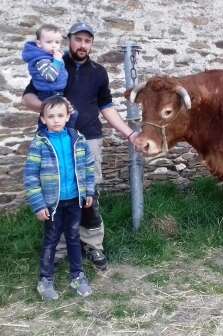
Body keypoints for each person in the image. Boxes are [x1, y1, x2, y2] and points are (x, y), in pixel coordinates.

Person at [22, 22, 139, 271]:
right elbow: (27, 97)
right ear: (70, 40)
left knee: (89, 195)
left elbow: (106, 107)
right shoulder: (53, 65)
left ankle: (94, 245)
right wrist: (49, 108)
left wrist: (129, 133)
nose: (82, 45)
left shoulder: (98, 72)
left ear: (91, 44)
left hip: (89, 141)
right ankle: (60, 248)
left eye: (88, 41)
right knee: (57, 194)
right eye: (78, 40)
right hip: (55, 142)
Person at [24, 96, 95, 300]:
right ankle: (45, 280)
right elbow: (30, 176)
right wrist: (38, 204)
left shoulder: (78, 139)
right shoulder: (40, 144)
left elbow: (88, 167)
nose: (56, 120)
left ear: (67, 117)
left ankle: (77, 276)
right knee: (51, 240)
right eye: (51, 116)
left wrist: (88, 191)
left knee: (74, 238)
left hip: (74, 200)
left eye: (60, 115)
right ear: (43, 119)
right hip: (52, 205)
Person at [21, 24, 77, 128]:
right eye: (49, 42)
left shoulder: (49, 57)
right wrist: (57, 61)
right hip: (49, 93)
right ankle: (56, 134)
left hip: (56, 92)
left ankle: (64, 133)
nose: (54, 45)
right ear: (39, 44)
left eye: (57, 42)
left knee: (63, 116)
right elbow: (50, 76)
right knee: (54, 117)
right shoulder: (41, 60)